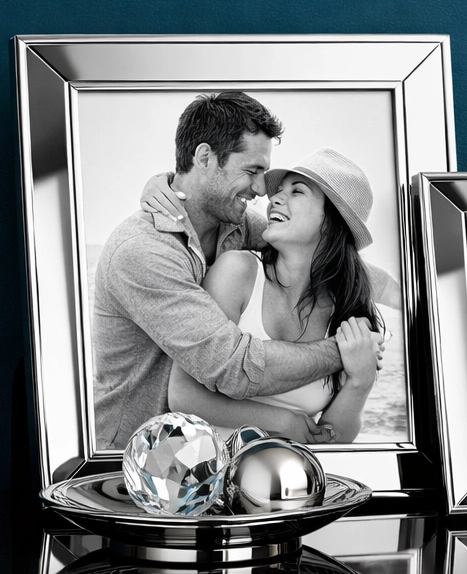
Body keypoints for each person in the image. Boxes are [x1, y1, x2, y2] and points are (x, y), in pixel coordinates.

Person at [90, 92, 358, 449]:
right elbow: (231, 365)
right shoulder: (142, 251)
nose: (263, 189)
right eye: (252, 170)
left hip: (202, 464)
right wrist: (345, 352)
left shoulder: (235, 224)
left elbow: (318, 248)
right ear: (204, 157)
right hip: (132, 464)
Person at [162, 148, 390, 444]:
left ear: (333, 219)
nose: (274, 200)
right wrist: (279, 422)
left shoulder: (348, 313)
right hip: (210, 475)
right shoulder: (239, 272)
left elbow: (330, 441)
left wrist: (361, 381)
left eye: (297, 192)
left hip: (289, 482)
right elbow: (183, 395)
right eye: (278, 191)